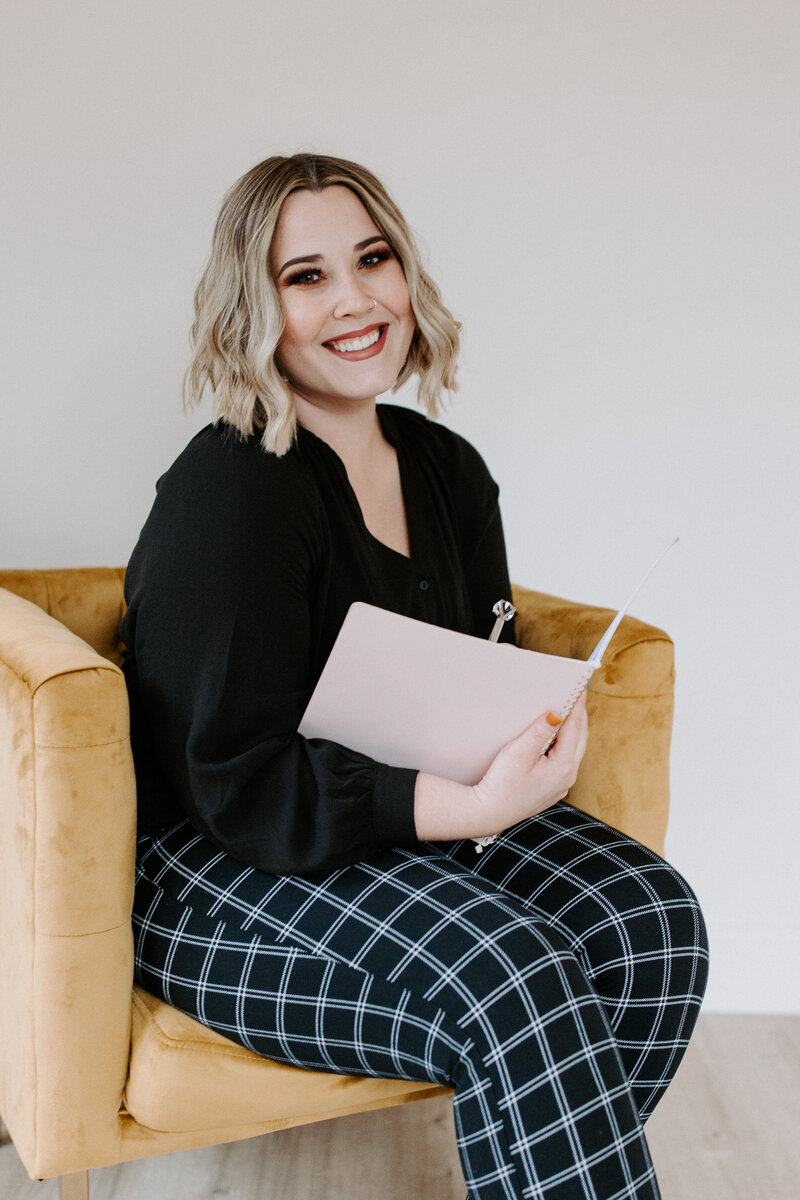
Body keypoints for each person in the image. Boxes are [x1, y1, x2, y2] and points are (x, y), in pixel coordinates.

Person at [121, 153, 708, 1200]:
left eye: (372, 258)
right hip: (218, 872)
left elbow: (458, 683)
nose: (353, 299)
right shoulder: (231, 489)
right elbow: (232, 783)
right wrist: (459, 806)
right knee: (513, 976)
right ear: (254, 306)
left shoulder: (447, 469)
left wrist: (527, 738)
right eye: (304, 276)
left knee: (650, 922)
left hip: (394, 823)